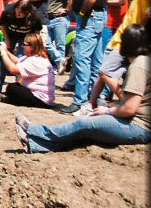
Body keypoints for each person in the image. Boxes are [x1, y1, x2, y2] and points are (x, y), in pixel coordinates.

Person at [15, 25, 149, 153]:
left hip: (138, 126)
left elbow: (130, 108)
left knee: (83, 124)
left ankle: (33, 130)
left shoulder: (138, 66)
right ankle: (35, 144)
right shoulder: (143, 61)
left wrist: (107, 110)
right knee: (85, 133)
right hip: (139, 124)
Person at [62, 0, 115, 114]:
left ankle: (80, 102)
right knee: (97, 59)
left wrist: (83, 12)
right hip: (100, 15)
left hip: (91, 17)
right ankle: (96, 99)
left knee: (83, 58)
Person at [88, 0, 151, 111]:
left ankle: (123, 101)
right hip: (121, 40)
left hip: (124, 41)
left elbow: (141, 20)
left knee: (104, 73)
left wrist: (134, 39)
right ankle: (93, 103)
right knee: (109, 75)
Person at [0, 32, 56, 108]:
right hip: (40, 96)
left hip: (41, 100)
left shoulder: (36, 61)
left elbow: (13, 70)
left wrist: (3, 53)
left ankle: (7, 99)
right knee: (14, 86)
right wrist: (6, 51)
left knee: (13, 88)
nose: (22, 46)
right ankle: (7, 97)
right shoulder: (33, 57)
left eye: (25, 45)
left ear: (32, 47)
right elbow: (18, 61)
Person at [0, 0, 42, 97]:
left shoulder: (35, 16)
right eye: (17, 11)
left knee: (22, 61)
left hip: (26, 37)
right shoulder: (8, 10)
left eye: (21, 14)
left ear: (27, 13)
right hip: (11, 35)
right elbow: (2, 25)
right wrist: (7, 39)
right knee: (4, 60)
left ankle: (20, 87)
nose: (18, 14)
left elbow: (37, 33)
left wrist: (34, 45)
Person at [46, 0, 74, 74]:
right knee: (44, 42)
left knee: (60, 45)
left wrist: (66, 9)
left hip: (60, 20)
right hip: (47, 20)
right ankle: (60, 60)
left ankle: (60, 68)